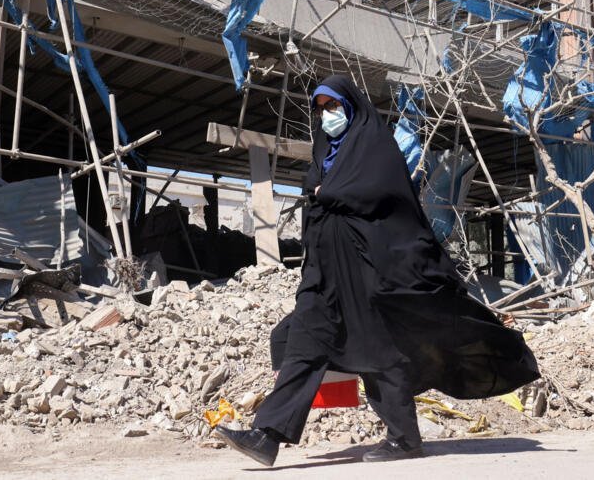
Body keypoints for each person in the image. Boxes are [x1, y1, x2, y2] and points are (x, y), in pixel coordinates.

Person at [216, 75, 539, 466]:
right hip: (326, 277)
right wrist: (322, 205)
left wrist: (329, 194)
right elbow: (315, 195)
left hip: (371, 275)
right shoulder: (326, 150)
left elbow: (378, 193)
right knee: (303, 339)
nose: (326, 116)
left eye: (333, 106)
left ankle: (404, 439)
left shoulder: (376, 146)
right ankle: (266, 436)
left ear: (351, 106)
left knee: (380, 355)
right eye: (320, 109)